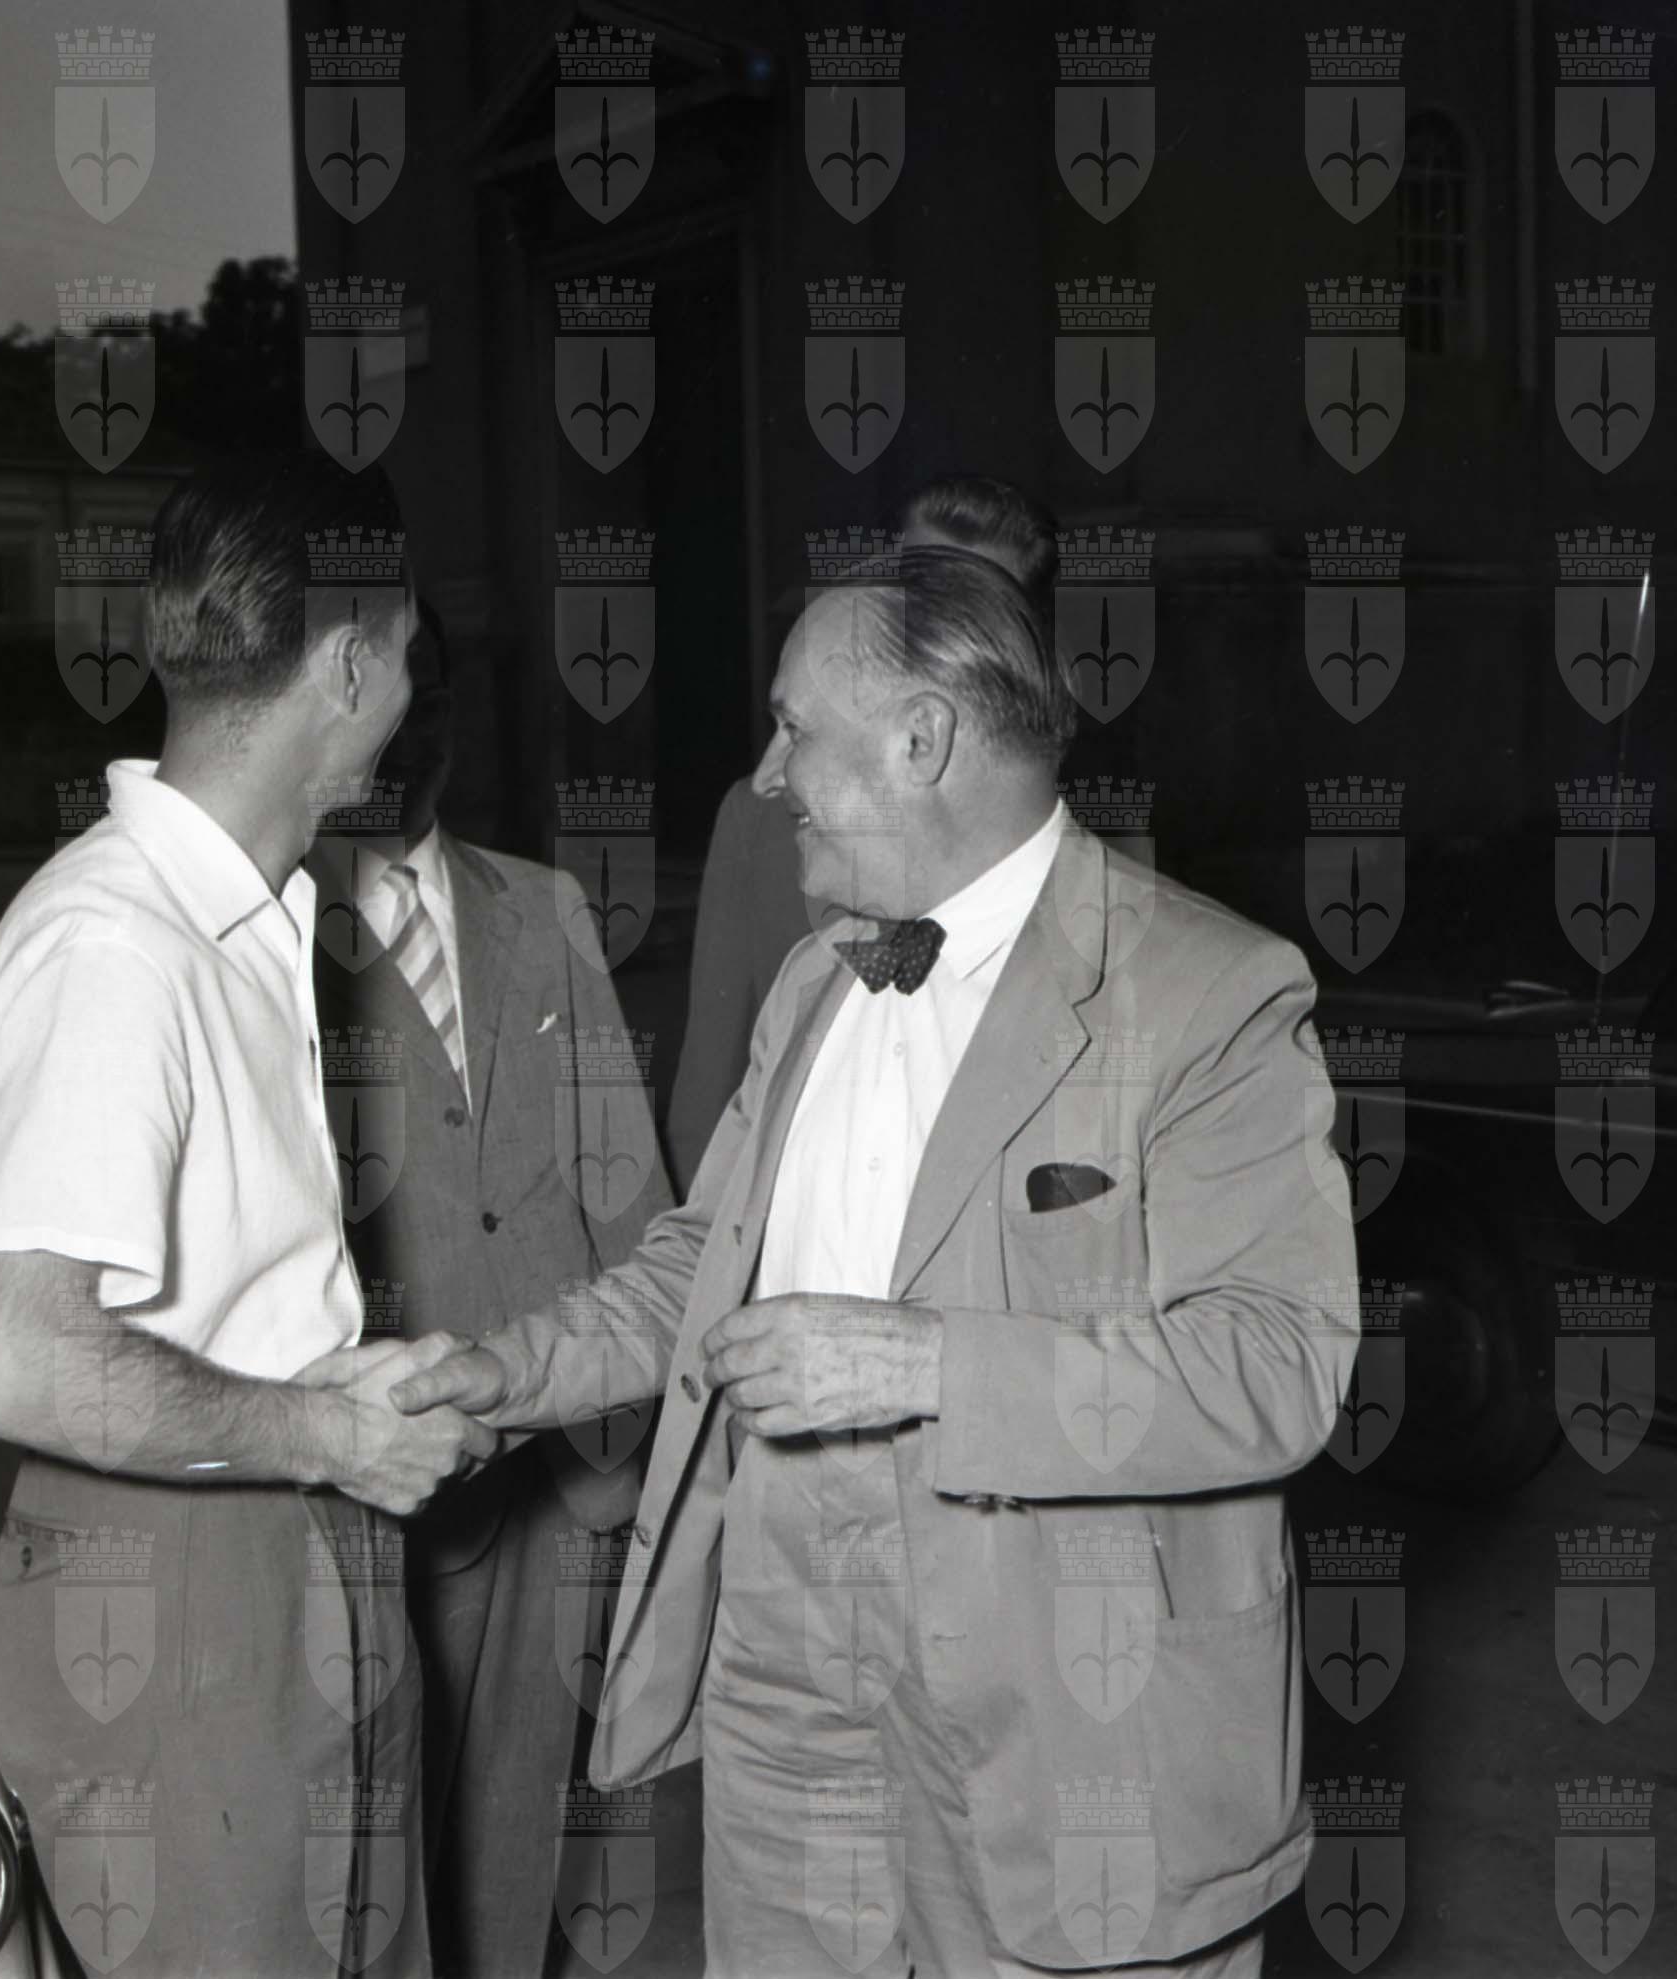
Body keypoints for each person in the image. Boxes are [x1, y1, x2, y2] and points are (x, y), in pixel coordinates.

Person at [398, 542, 1358, 1976]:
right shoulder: (817, 976)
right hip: (783, 1610)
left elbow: (1278, 1364)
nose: (766, 775)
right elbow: (702, 1268)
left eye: (793, 727)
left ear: (922, 738)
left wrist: (920, 1362)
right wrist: (508, 1370)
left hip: (1057, 1663)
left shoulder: (1208, 990)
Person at [0, 452, 492, 1978]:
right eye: (403, 652)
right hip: (183, 1588)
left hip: (278, 1530)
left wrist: (326, 1397)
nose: (410, 689)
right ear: (348, 667)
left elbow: (214, 1289)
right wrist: (326, 1432)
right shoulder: (116, 944)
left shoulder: (237, 915)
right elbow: (10, 1360)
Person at [311, 600, 673, 1977]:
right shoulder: (275, 926)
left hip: (563, 1449)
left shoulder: (543, 906)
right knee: (387, 1838)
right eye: (388, 711)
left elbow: (628, 1185)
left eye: (435, 709)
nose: (409, 743)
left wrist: (635, 1447)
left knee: (524, 1816)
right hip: (393, 1453)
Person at [665, 474, 1058, 1191]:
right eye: (916, 601)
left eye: (973, 616)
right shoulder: (765, 821)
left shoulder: (1080, 875)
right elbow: (708, 1105)